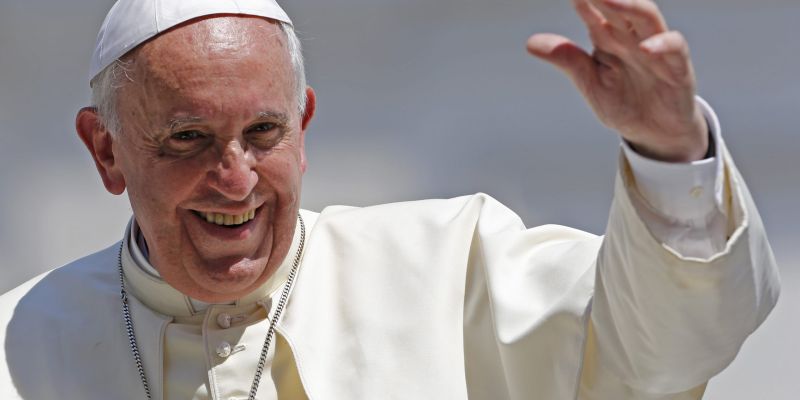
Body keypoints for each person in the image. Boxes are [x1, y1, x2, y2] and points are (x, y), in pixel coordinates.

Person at [0, 0, 780, 399]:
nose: (234, 179)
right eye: (187, 140)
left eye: (263, 132)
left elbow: (671, 344)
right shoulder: (16, 347)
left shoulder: (455, 265)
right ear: (106, 151)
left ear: (303, 127)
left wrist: (669, 154)